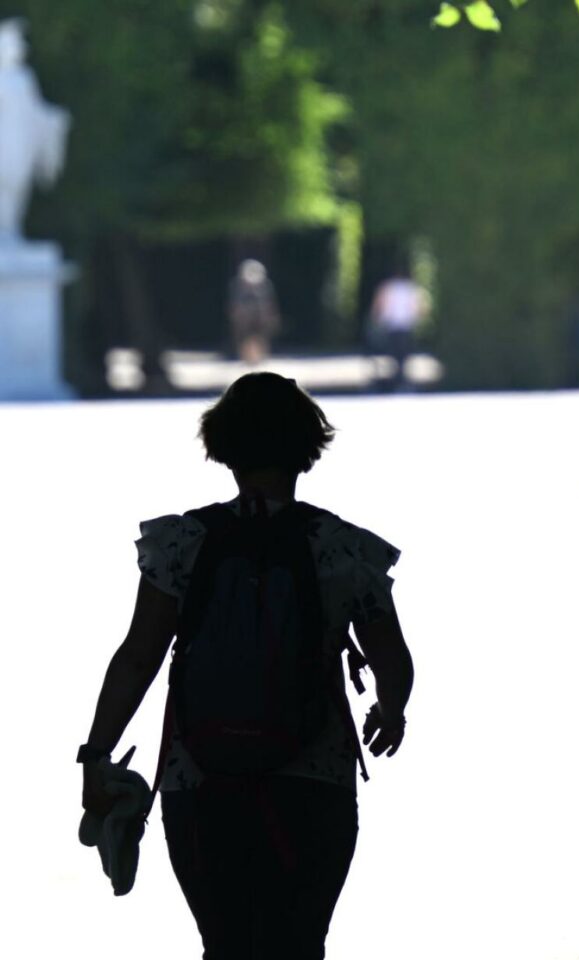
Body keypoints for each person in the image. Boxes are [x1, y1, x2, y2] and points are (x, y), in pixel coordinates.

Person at [79, 372, 414, 958]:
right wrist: (390, 712)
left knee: (224, 943)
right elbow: (393, 659)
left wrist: (96, 753)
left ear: (224, 448)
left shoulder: (180, 544)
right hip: (314, 780)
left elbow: (137, 658)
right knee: (299, 943)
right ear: (306, 449)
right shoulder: (344, 549)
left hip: (200, 779)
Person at [369, 266, 429, 391]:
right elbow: (419, 306)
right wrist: (418, 319)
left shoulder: (387, 287)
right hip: (406, 325)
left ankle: (394, 380)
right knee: (403, 354)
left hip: (392, 324)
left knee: (393, 353)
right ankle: (401, 380)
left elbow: (380, 304)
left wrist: (377, 319)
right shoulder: (411, 288)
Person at [228, 259, 281, 364]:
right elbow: (235, 303)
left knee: (261, 336)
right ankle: (247, 357)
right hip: (245, 317)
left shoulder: (266, 286)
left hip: (260, 316)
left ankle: (259, 356)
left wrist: (269, 315)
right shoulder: (237, 286)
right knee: (245, 337)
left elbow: (269, 302)